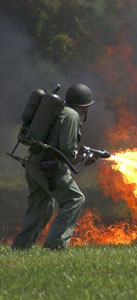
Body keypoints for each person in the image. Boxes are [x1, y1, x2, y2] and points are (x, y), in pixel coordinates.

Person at [11, 84, 95, 250]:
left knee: (40, 207)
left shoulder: (59, 110)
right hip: (49, 168)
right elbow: (68, 153)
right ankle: (55, 245)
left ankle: (20, 247)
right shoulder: (72, 116)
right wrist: (82, 158)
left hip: (33, 163)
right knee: (75, 199)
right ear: (84, 106)